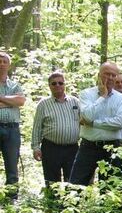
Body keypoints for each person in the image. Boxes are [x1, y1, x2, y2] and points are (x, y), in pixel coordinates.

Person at [69, 62, 122, 186]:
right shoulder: (86, 94)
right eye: (107, 74)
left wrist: (94, 123)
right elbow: (87, 115)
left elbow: (119, 122)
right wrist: (103, 96)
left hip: (112, 148)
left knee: (111, 189)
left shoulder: (121, 98)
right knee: (76, 186)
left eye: (113, 75)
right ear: (99, 75)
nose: (110, 78)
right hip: (88, 146)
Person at [31, 72, 80, 188]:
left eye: (60, 83)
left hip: (72, 148)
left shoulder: (75, 102)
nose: (57, 85)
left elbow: (85, 122)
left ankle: (72, 205)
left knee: (73, 181)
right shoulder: (43, 104)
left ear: (64, 84)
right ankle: (52, 205)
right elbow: (37, 127)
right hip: (51, 148)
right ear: (49, 86)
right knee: (52, 182)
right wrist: (35, 147)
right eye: (54, 83)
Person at [0, 52, 26, 201]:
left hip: (12, 130)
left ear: (9, 65)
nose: (2, 64)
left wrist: (2, 99)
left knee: (12, 166)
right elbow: (15, 101)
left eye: (5, 61)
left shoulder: (15, 85)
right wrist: (10, 102)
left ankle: (11, 199)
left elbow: (21, 101)